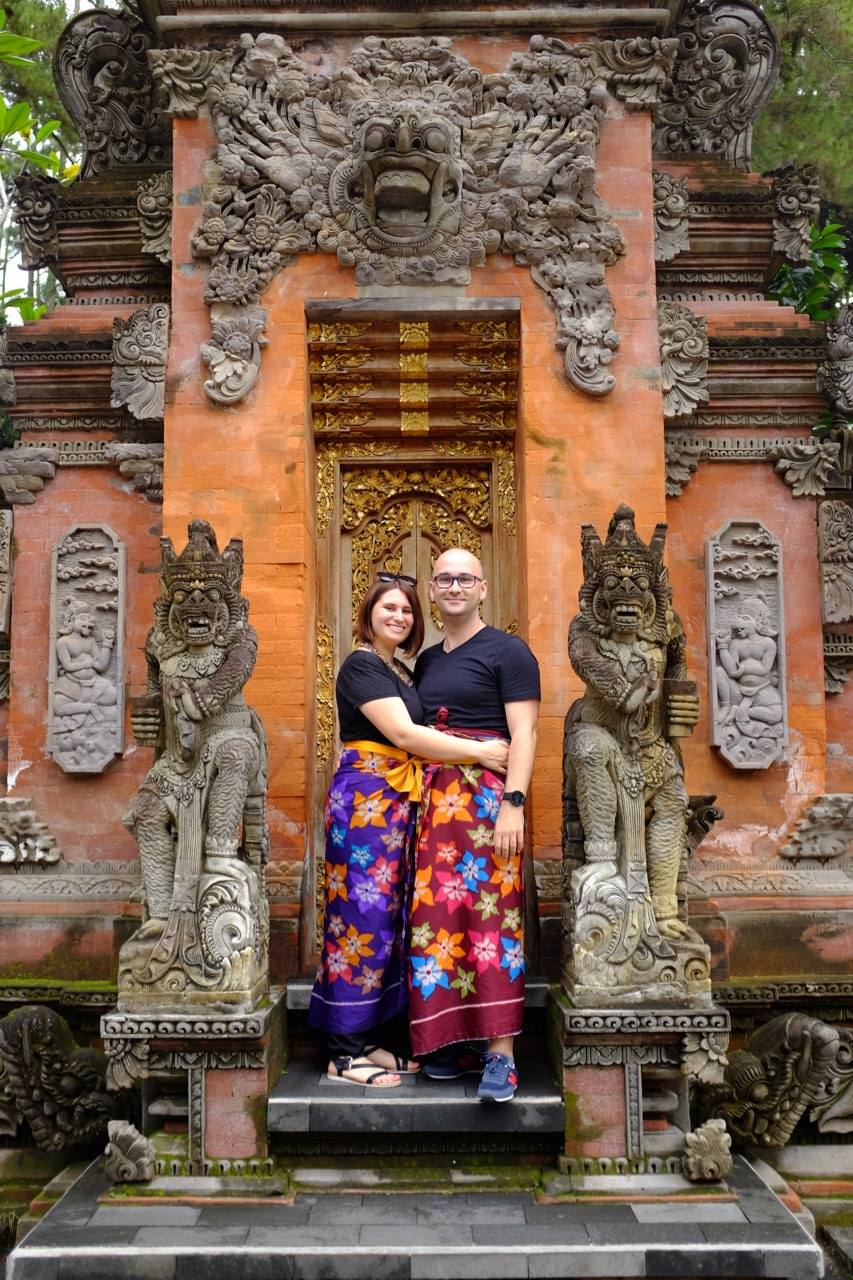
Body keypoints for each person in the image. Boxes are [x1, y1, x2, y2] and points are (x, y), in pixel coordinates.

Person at [308, 573, 511, 1089]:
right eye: (389, 608)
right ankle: (342, 1054)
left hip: (397, 803)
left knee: (389, 921)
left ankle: (367, 1039)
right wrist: (481, 752)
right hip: (366, 804)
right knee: (358, 917)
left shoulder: (397, 668)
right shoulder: (360, 665)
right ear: (368, 614)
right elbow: (404, 734)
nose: (399, 617)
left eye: (407, 611)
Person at [409, 549, 540, 1103]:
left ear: (483, 588)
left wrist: (515, 803)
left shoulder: (509, 652)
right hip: (434, 807)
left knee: (492, 924)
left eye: (465, 578)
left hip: (488, 806)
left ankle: (500, 1055)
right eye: (445, 579)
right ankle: (449, 1043)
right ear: (432, 591)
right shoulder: (426, 662)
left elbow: (524, 734)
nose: (455, 586)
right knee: (437, 923)